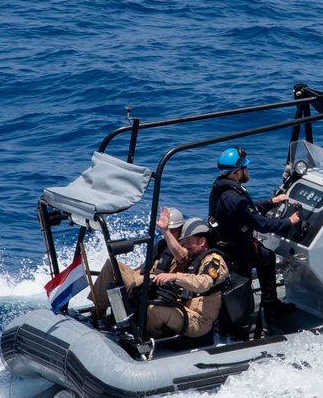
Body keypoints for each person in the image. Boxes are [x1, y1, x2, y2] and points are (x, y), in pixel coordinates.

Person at [92, 209, 229, 345]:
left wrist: (174, 277)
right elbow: (182, 256)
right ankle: (98, 314)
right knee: (113, 266)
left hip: (199, 320)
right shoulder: (192, 256)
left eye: (188, 242)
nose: (185, 246)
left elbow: (203, 283)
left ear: (202, 242)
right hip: (182, 308)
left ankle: (147, 338)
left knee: (155, 309)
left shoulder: (215, 262)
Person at [208, 146, 300, 333]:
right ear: (236, 172)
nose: (247, 171)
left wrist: (271, 202)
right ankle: (271, 307)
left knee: (264, 254)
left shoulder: (222, 188)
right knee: (265, 256)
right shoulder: (234, 197)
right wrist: (289, 221)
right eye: (244, 168)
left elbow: (247, 210)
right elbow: (261, 224)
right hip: (237, 251)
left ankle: (268, 305)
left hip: (225, 244)